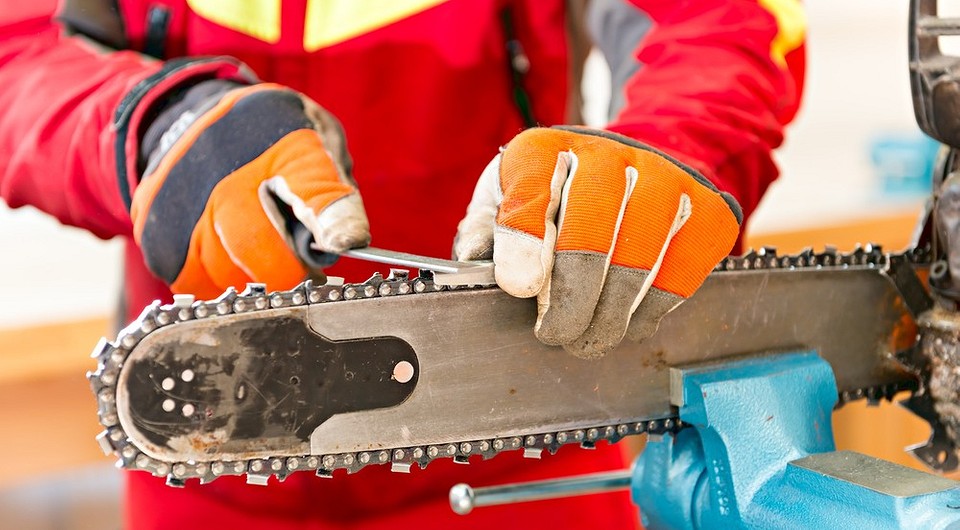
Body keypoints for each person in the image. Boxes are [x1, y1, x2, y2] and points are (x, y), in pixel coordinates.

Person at [0, 0, 805, 528]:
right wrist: (152, 127)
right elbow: (18, 53)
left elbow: (724, 23)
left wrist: (666, 156)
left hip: (525, 435)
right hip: (209, 454)